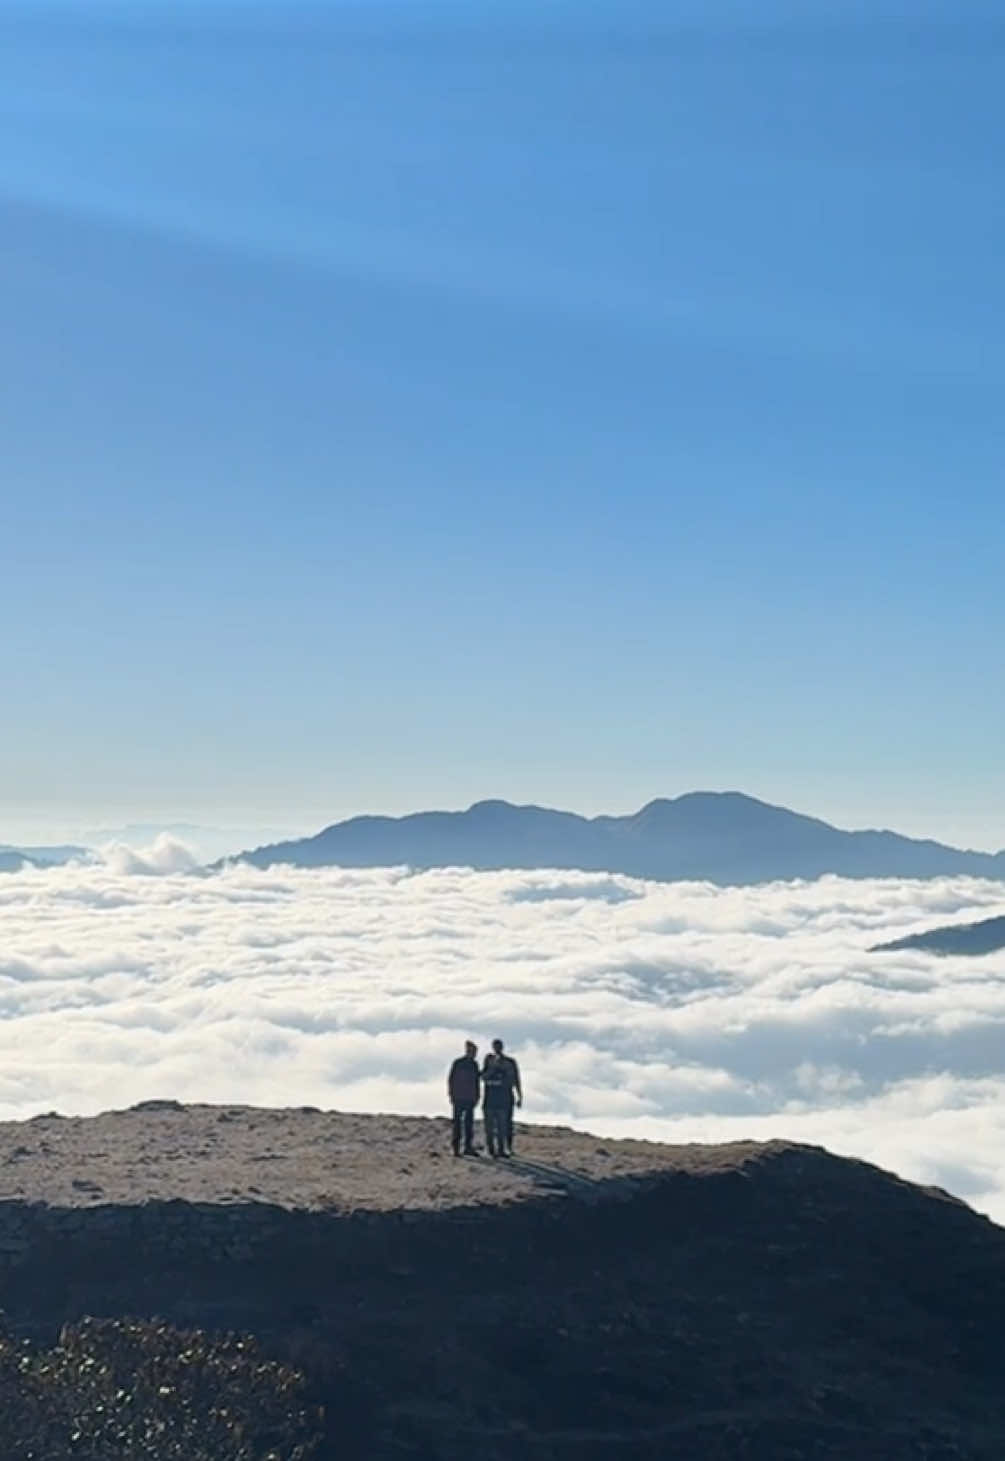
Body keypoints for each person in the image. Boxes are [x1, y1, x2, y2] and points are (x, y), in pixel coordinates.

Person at [482, 1038, 522, 1157]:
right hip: (490, 1097)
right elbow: (483, 1076)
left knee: (504, 1125)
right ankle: (491, 1149)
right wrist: (493, 1069)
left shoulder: (510, 1062)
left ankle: (503, 1148)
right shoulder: (489, 1060)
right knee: (490, 1126)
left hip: (505, 1097)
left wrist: (519, 1096)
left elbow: (516, 1079)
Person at [447, 1040, 480, 1156]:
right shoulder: (458, 1063)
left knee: (468, 1124)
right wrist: (451, 1094)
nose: (473, 1053)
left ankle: (468, 1147)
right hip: (459, 1097)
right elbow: (451, 1080)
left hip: (470, 1098)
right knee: (457, 1124)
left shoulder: (474, 1065)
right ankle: (456, 1147)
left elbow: (477, 1082)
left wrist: (477, 1096)